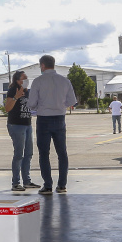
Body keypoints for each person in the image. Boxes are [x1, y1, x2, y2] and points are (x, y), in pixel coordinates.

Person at [28, 55, 77, 195]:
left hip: (43, 119)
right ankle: (62, 185)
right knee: (62, 153)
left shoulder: (38, 81)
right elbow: (72, 101)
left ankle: (48, 185)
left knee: (44, 153)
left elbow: (31, 103)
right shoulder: (65, 81)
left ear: (42, 65)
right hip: (60, 119)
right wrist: (59, 105)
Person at [4, 71, 39, 191]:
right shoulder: (13, 90)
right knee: (19, 154)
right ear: (18, 80)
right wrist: (16, 97)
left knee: (29, 153)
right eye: (24, 78)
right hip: (16, 125)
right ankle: (15, 183)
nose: (26, 80)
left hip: (27, 124)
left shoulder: (27, 91)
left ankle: (27, 181)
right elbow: (7, 108)